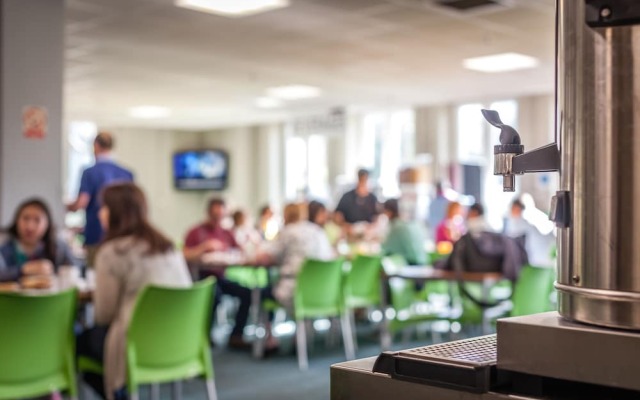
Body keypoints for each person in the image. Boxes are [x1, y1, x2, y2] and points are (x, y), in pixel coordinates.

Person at [76, 183, 191, 400]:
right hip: (180, 342)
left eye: (104, 207)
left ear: (115, 212)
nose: (100, 213)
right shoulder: (167, 246)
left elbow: (104, 315)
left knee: (77, 343)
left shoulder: (112, 251)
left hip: (136, 345)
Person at [183, 198, 252, 349]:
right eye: (215, 216)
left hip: (221, 277)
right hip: (201, 277)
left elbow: (242, 251)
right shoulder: (195, 232)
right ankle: (204, 337)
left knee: (248, 293)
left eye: (221, 216)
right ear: (208, 213)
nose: (218, 220)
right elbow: (184, 255)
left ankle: (236, 335)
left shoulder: (227, 232)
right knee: (214, 295)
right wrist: (203, 248)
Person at [67, 132, 134, 267]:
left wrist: (64, 207)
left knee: (96, 277)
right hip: (124, 236)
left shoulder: (90, 172)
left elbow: (81, 203)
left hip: (96, 234)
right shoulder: (127, 173)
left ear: (95, 146)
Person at [261, 203, 335, 307]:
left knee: (257, 292)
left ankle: (264, 322)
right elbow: (331, 257)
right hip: (324, 292)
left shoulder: (288, 232)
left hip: (295, 291)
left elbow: (267, 257)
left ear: (285, 215)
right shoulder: (319, 232)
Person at [0, 198, 77, 283]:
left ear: (47, 224)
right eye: (25, 218)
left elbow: (76, 270)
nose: (30, 227)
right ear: (17, 221)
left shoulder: (59, 248)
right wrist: (23, 270)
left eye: (37, 220)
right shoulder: (4, 246)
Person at [504, 196, 556, 267]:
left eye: (512, 208)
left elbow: (510, 236)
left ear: (516, 208)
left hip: (540, 258)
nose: (510, 212)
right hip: (551, 255)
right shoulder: (535, 215)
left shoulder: (523, 220)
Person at [381, 199, 427, 265]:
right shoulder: (414, 224)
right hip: (423, 262)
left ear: (388, 212)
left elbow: (385, 249)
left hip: (410, 264)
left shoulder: (396, 226)